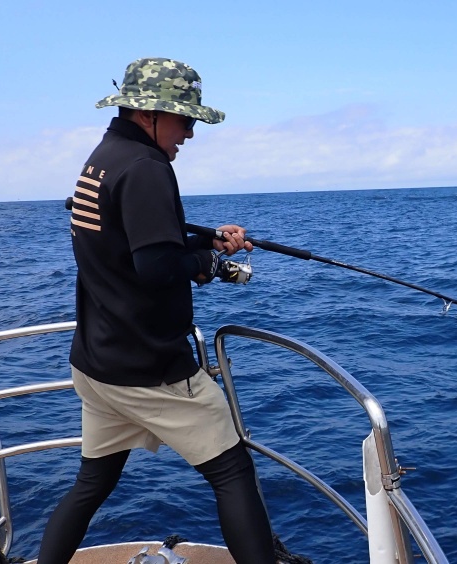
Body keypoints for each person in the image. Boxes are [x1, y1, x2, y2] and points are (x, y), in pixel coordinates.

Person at [38, 57, 275, 564]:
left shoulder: (106, 157)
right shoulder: (147, 168)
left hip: (97, 361)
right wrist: (210, 263)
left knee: (92, 483)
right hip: (148, 369)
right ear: (148, 113)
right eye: (184, 119)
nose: (189, 133)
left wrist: (207, 240)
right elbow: (156, 267)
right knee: (233, 472)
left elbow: (131, 241)